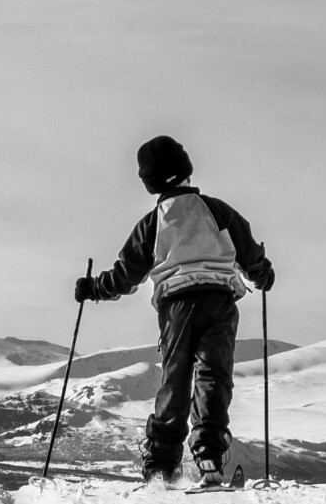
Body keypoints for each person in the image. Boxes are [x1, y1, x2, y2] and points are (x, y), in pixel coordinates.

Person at [74, 135, 274, 485]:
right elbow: (247, 250)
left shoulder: (153, 223)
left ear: (149, 182)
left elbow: (125, 275)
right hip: (219, 301)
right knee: (214, 375)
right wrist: (262, 273)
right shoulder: (217, 210)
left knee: (175, 379)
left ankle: (161, 465)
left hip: (176, 307)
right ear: (186, 170)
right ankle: (209, 451)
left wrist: (93, 288)